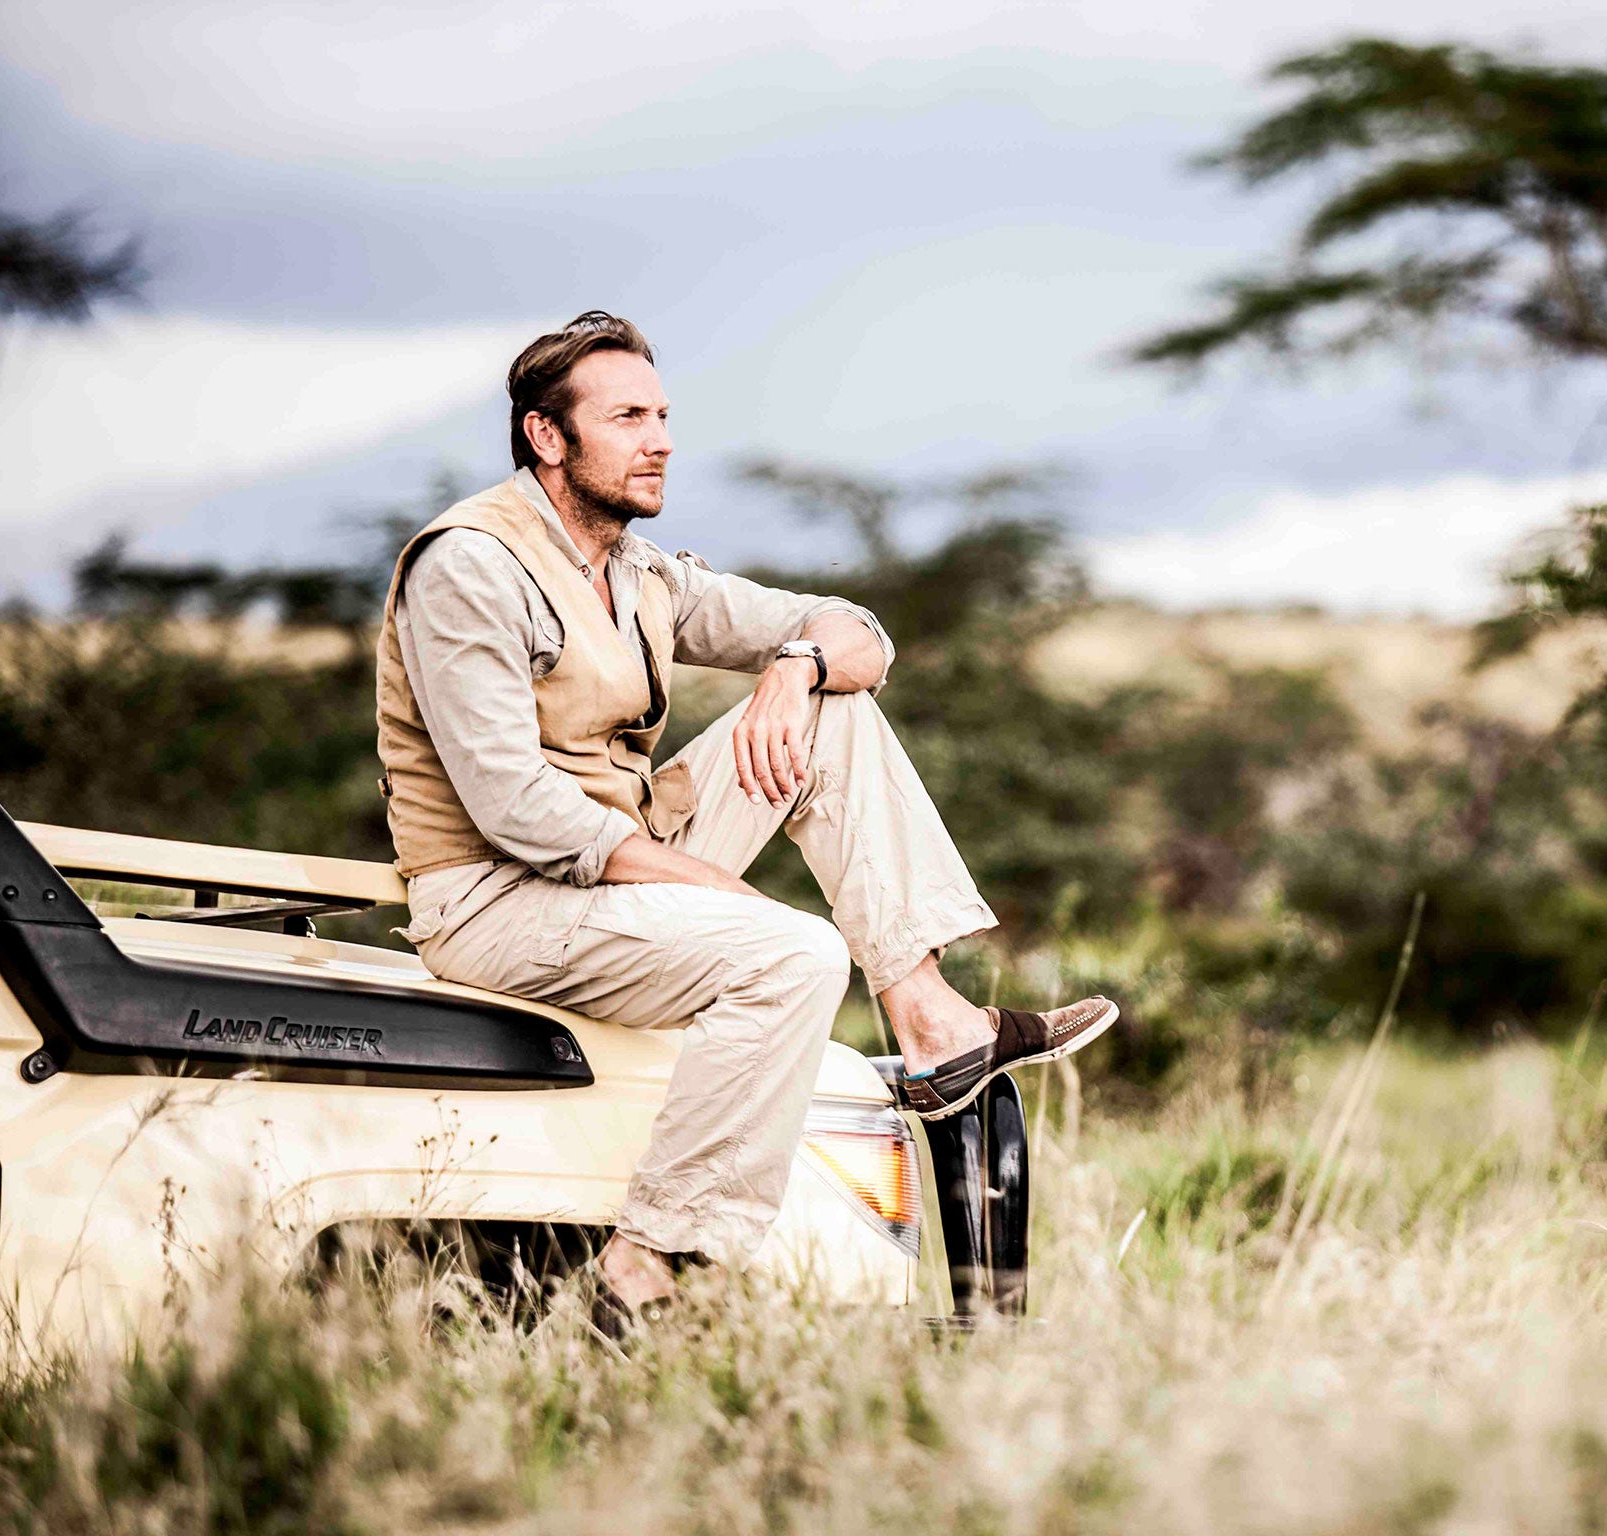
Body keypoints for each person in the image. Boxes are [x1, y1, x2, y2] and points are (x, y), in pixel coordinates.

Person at [374, 311, 1115, 1316]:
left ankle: (935, 1023)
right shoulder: (467, 563)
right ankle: (647, 1268)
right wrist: (702, 881)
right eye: (628, 416)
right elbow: (513, 808)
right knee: (793, 953)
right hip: (499, 899)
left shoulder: (638, 573)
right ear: (547, 437)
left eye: (664, 414)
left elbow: (860, 638)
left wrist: (796, 669)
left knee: (832, 709)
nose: (661, 439)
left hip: (615, 856)